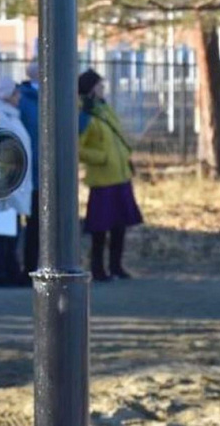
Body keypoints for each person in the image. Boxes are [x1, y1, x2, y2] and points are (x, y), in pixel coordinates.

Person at [78, 69, 143, 282]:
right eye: (99, 85)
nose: (103, 89)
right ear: (90, 89)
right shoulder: (85, 115)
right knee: (100, 227)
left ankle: (116, 266)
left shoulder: (104, 109)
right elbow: (77, 147)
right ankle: (98, 269)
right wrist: (102, 157)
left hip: (120, 175)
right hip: (102, 179)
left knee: (119, 225)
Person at [0, 76, 34, 287]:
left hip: (14, 183)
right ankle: (1, 273)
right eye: (16, 93)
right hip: (3, 186)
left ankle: (10, 270)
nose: (19, 96)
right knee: (3, 233)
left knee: (11, 232)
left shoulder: (11, 114)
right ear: (6, 95)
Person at [16, 59, 40, 276]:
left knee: (42, 224)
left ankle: (36, 265)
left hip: (44, 172)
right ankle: (28, 267)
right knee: (31, 225)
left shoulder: (52, 96)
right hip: (30, 172)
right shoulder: (23, 99)